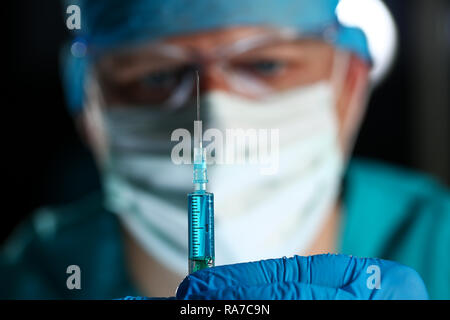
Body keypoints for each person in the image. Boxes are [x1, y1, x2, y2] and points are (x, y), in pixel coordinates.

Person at [1, 0, 448, 300]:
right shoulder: (34, 275)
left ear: (349, 84)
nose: (210, 114)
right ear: (89, 108)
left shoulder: (437, 242)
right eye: (156, 75)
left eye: (265, 64)